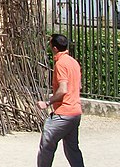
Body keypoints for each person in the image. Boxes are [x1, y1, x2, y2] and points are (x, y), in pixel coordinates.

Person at [36, 33, 84, 167]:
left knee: (46, 145)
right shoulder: (73, 62)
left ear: (55, 48)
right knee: (72, 149)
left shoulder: (61, 64)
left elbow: (63, 90)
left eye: (50, 43)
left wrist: (47, 102)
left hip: (63, 113)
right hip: (75, 112)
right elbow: (78, 86)